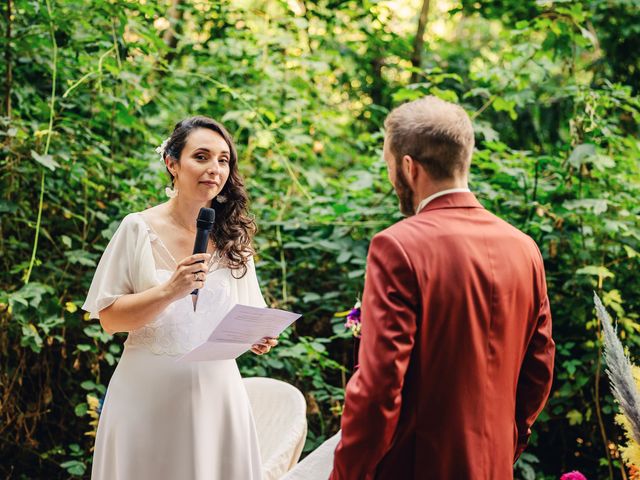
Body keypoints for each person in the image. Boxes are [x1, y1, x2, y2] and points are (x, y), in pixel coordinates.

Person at [329, 96, 555, 479]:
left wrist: (347, 474)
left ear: (407, 167)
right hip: (494, 466)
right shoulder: (524, 248)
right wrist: (505, 442)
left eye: (388, 166)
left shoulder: (397, 246)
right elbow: (539, 368)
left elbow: (380, 388)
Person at [81, 115, 277, 480]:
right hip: (146, 400)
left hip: (219, 401)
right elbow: (109, 319)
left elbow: (251, 313)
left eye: (223, 160)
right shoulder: (137, 228)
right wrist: (170, 290)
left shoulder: (236, 238)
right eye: (201, 156)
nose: (214, 169)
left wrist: (258, 337)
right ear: (172, 163)